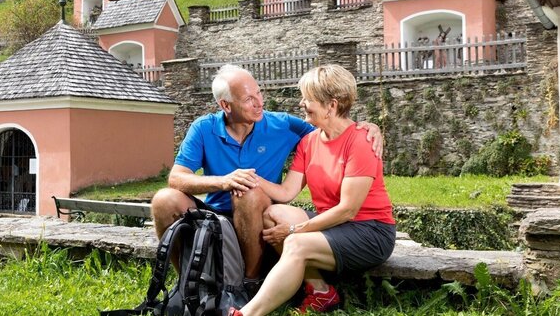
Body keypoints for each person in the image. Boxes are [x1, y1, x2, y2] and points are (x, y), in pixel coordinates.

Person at [150, 64, 383, 293]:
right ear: (225, 105)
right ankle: (187, 283)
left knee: (247, 192)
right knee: (164, 200)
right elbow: (177, 178)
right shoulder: (203, 128)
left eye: (259, 93)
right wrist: (224, 181)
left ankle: (249, 284)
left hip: (258, 214)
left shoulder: (282, 125)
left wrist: (367, 127)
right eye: (248, 98)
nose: (259, 102)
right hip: (216, 213)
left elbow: (331, 127)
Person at [228, 65, 396, 316]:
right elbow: (286, 192)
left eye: (308, 99)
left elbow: (348, 210)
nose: (301, 103)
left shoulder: (361, 141)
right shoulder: (309, 141)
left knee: (296, 242)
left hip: (370, 230)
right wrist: (248, 178)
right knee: (273, 214)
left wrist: (295, 230)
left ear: (331, 105)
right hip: (334, 223)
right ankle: (321, 292)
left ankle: (247, 313)